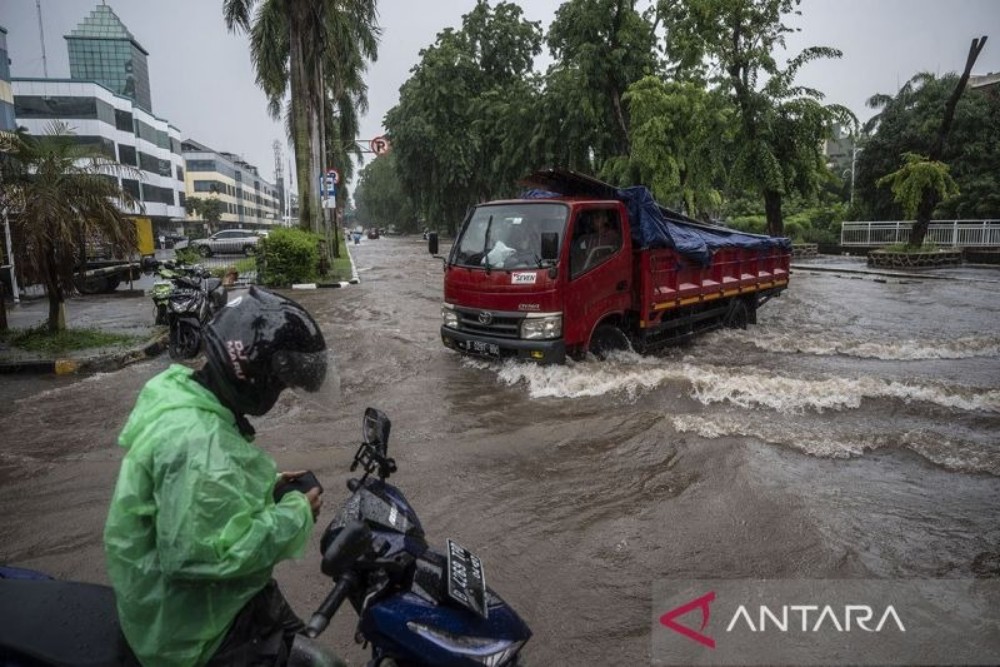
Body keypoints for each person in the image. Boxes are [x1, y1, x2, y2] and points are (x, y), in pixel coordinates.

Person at [104, 287, 334, 667]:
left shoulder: (183, 398)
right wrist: (294, 513)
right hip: (192, 638)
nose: (278, 393)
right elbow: (202, 558)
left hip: (203, 607)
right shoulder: (199, 446)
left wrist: (266, 488)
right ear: (254, 377)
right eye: (278, 383)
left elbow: (200, 497)